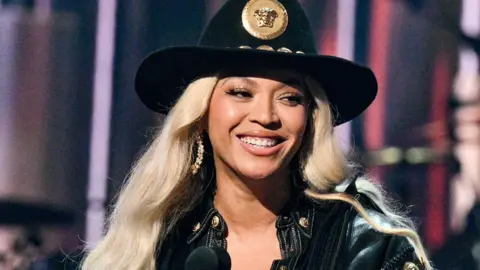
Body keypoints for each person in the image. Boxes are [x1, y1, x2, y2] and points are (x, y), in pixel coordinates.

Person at [82, 0, 432, 269]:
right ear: (201, 112)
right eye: (240, 92)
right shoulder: (151, 242)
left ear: (311, 119)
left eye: (289, 98)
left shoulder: (368, 246)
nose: (265, 116)